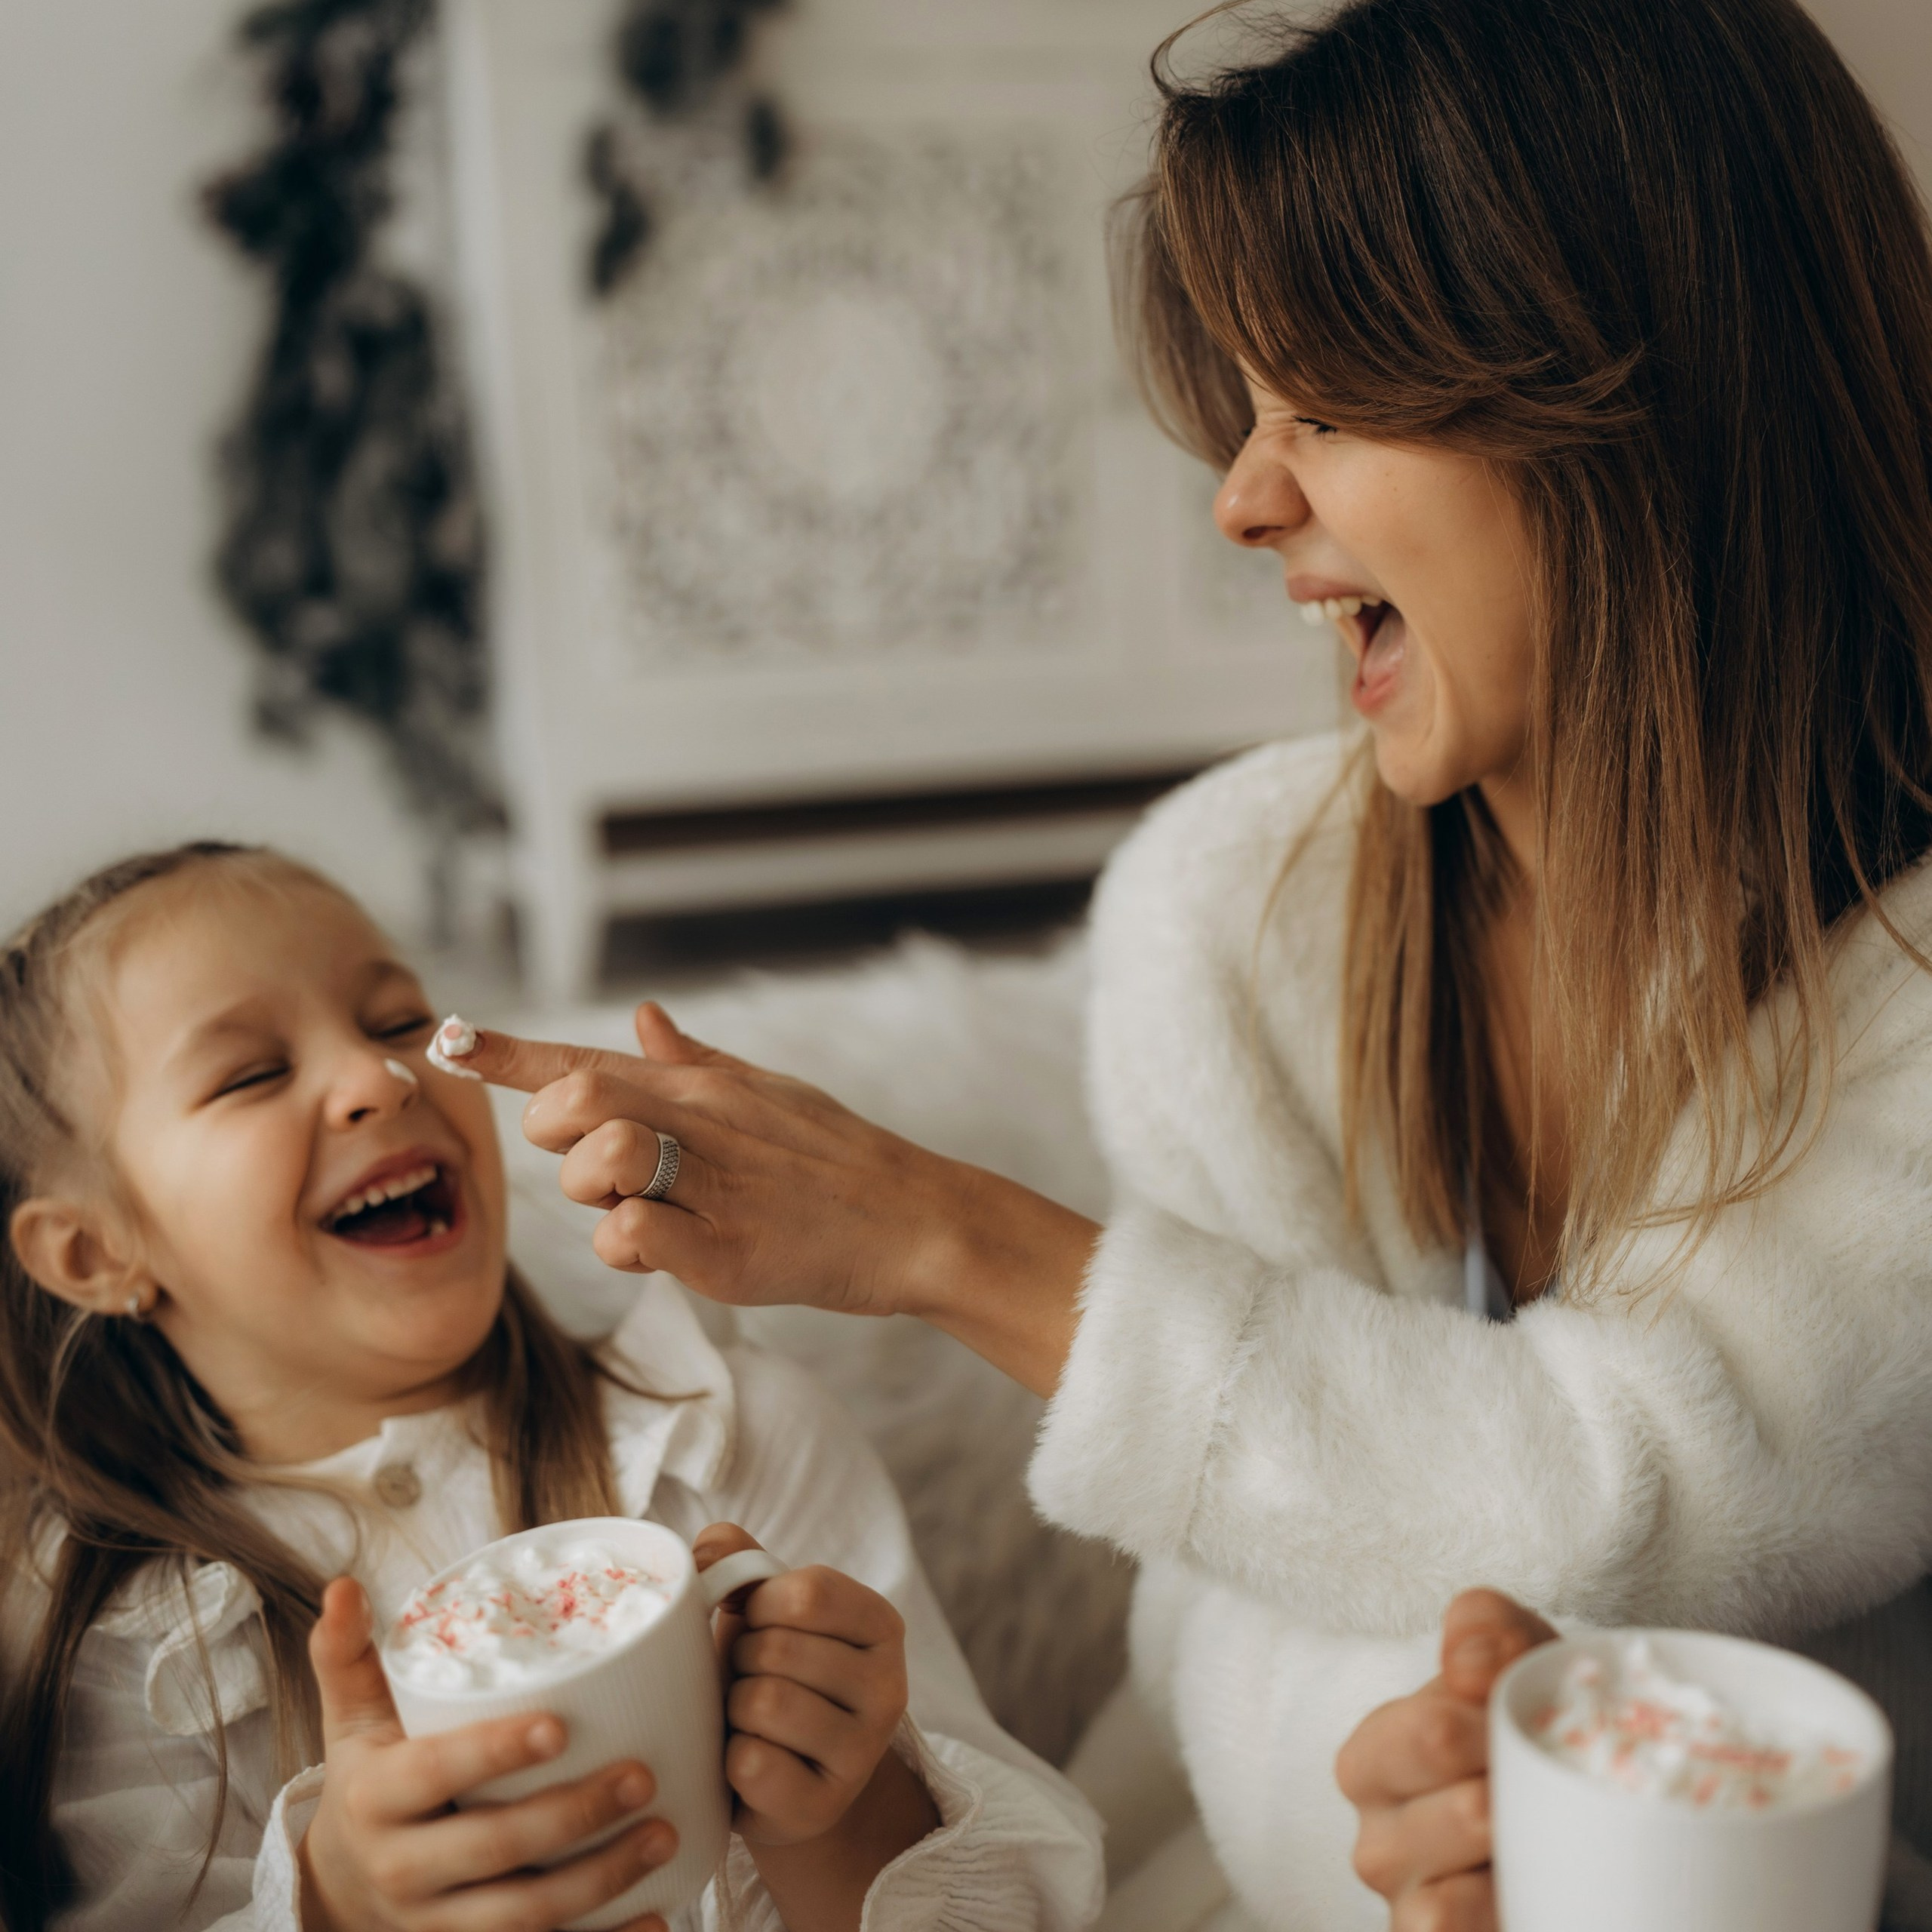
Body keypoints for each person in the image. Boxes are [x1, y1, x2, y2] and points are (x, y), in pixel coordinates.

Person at [448, 0, 1932, 1923]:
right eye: (1243, 412)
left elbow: (1647, 1496)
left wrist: (938, 1236)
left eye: (1321, 403)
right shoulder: (1232, 909)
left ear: (1640, 400)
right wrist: (1399, 1822)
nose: (1243, 497)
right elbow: (1218, 1587)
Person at [0, 844, 1103, 1932]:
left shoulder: (722, 1438)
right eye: (251, 1073)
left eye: (397, 1023)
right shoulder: (124, 1638)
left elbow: (1027, 1906)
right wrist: (339, 1905)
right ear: (96, 1255)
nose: (380, 1077)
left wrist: (848, 1819)